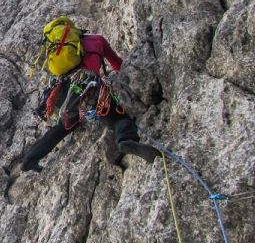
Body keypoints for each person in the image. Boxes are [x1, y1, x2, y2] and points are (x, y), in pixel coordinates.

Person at [21, 28, 158, 172]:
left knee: (62, 127)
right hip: (87, 87)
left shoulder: (62, 50)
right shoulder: (98, 40)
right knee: (118, 116)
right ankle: (125, 139)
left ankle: (29, 159)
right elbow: (117, 64)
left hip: (65, 91)